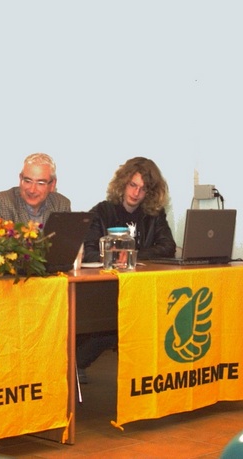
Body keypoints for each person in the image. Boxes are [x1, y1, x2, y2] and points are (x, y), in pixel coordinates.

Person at [77, 157, 177, 381]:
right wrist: (114, 260)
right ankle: (76, 362)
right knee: (113, 324)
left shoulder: (153, 215)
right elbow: (89, 251)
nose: (136, 193)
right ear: (123, 183)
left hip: (142, 290)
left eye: (143, 189)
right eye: (133, 185)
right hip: (106, 290)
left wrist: (132, 256)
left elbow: (168, 247)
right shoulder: (101, 212)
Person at [0, 152, 71, 224]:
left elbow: (66, 240)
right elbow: (6, 241)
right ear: (21, 179)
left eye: (40, 183)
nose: (32, 190)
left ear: (52, 184)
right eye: (28, 181)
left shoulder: (61, 204)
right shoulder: (2, 202)